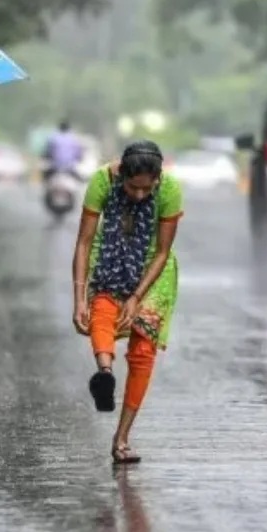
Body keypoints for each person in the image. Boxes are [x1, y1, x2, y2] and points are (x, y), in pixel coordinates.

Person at [71, 140, 183, 464]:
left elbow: (162, 251)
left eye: (146, 189)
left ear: (158, 179)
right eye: (132, 187)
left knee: (143, 349)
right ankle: (104, 373)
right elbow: (84, 242)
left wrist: (136, 297)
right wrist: (79, 298)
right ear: (121, 175)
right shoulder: (101, 182)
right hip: (109, 256)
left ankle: (121, 438)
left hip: (153, 270)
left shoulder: (171, 190)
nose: (138, 195)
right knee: (101, 312)